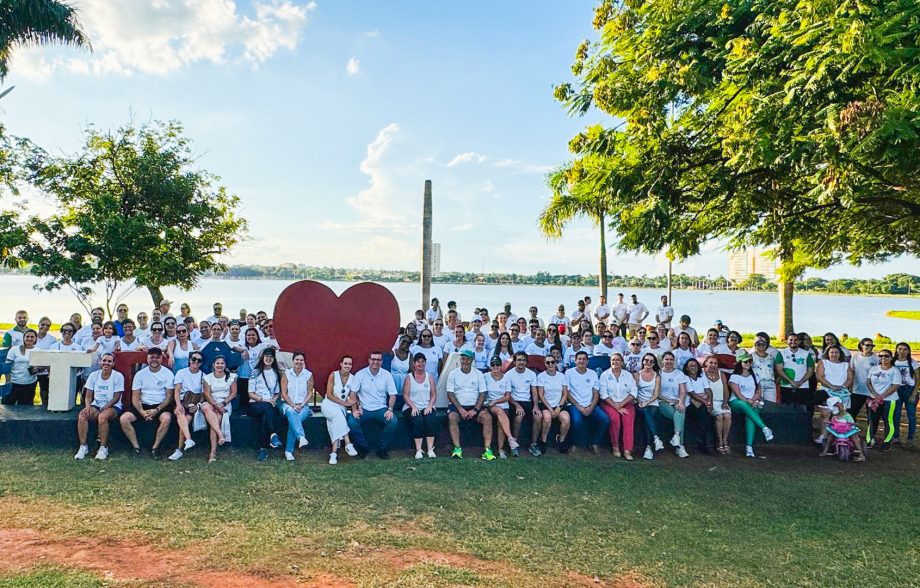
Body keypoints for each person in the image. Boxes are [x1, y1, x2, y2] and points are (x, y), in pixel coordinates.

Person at [119, 348, 175, 459]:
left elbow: (169, 397)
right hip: (142, 405)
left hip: (160, 405)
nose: (154, 360)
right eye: (151, 357)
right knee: (124, 418)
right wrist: (141, 412)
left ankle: (155, 448)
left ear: (161, 358)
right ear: (147, 359)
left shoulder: (168, 374)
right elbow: (135, 397)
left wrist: (157, 410)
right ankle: (136, 447)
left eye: (157, 357)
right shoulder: (140, 374)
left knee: (167, 418)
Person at [348, 350, 399, 459]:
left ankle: (382, 448)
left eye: (378, 359)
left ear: (381, 361)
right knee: (352, 422)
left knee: (393, 421)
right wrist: (355, 409)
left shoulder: (386, 375)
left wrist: (390, 409)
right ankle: (363, 447)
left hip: (381, 408)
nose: (375, 362)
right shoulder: (360, 374)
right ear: (369, 360)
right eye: (373, 359)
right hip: (364, 409)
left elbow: (393, 395)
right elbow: (353, 393)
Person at [74, 353, 124, 460]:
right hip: (96, 405)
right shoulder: (93, 375)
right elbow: (88, 396)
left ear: (113, 363)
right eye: (104, 360)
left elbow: (116, 397)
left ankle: (103, 448)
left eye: (109, 361)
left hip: (113, 406)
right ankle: (83, 446)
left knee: (102, 417)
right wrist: (87, 407)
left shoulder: (118, 376)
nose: (106, 363)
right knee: (82, 415)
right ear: (100, 362)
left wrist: (106, 406)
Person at [445, 349, 493, 460]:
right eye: (463, 359)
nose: (465, 361)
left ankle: (487, 450)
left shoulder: (478, 373)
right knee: (452, 417)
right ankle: (457, 448)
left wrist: (475, 409)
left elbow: (483, 393)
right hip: (458, 406)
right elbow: (450, 394)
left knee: (487, 417)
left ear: (472, 360)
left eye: (467, 359)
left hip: (475, 406)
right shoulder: (453, 373)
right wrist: (460, 409)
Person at [728, 353, 775, 458]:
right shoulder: (734, 376)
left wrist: (753, 400)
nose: (748, 363)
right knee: (742, 403)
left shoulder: (754, 375)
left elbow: (758, 390)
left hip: (752, 402)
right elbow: (738, 394)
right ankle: (764, 428)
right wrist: (748, 401)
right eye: (745, 361)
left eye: (750, 361)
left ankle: (749, 448)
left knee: (750, 417)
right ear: (740, 363)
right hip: (737, 402)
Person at [564, 351, 610, 454]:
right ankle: (575, 444)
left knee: (605, 419)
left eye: (584, 359)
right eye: (579, 359)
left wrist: (592, 406)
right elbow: (567, 393)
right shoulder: (569, 373)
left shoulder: (592, 373)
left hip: (590, 405)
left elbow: (596, 393)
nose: (581, 361)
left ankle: (594, 442)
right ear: (575, 360)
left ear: (587, 361)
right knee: (577, 421)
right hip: (574, 405)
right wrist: (579, 407)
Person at [321, 355, 360, 465]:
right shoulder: (333, 375)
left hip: (340, 408)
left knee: (333, 422)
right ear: (341, 364)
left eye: (350, 364)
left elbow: (352, 398)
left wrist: (354, 410)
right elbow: (329, 395)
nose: (347, 366)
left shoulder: (353, 378)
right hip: (328, 405)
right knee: (338, 415)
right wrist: (345, 403)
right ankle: (347, 443)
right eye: (345, 363)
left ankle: (333, 454)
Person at [167, 351, 205, 461]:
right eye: (194, 359)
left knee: (185, 421)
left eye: (199, 360)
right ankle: (187, 440)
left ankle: (179, 449)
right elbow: (177, 391)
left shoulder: (203, 375)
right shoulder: (181, 373)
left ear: (201, 363)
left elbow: (203, 395)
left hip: (194, 404)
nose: (196, 362)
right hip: (182, 401)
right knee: (180, 414)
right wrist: (178, 404)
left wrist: (197, 406)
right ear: (189, 360)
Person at [199, 355, 237, 462]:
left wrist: (223, 404)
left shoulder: (232, 377)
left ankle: (213, 452)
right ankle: (220, 434)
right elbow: (207, 394)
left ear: (225, 365)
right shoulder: (207, 378)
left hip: (225, 403)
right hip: (212, 402)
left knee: (216, 420)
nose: (219, 365)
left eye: (222, 363)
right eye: (217, 363)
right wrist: (216, 405)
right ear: (213, 365)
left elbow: (233, 393)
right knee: (206, 407)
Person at [598, 353, 637, 460]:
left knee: (628, 420)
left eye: (618, 360)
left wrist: (621, 404)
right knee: (615, 419)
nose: (615, 362)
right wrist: (616, 406)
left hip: (626, 403)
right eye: (613, 360)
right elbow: (603, 394)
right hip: (609, 403)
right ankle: (615, 447)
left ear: (622, 362)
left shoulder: (628, 375)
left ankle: (627, 450)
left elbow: (634, 392)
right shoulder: (605, 375)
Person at [248, 348, 284, 461]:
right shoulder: (255, 372)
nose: (268, 359)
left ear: (274, 359)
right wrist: (263, 400)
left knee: (266, 416)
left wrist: (273, 400)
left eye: (271, 357)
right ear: (262, 357)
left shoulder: (276, 373)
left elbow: (278, 392)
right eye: (266, 356)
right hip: (256, 403)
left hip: (271, 404)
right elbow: (250, 393)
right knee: (267, 408)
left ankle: (263, 449)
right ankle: (273, 434)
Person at [814, 345, 854, 446]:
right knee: (825, 415)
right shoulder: (823, 363)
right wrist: (831, 386)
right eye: (832, 352)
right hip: (827, 392)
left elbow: (850, 378)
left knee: (840, 415)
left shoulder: (845, 364)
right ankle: (824, 435)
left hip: (842, 393)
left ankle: (839, 436)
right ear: (828, 353)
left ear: (840, 354)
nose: (834, 354)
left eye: (837, 352)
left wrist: (842, 387)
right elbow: (819, 376)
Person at [279, 351, 313, 461]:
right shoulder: (286, 374)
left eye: (301, 360)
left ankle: (288, 451)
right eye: (297, 359)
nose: (299, 362)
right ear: (293, 361)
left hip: (303, 406)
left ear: (304, 362)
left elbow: (309, 393)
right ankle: (300, 436)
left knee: (294, 420)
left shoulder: (308, 375)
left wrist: (302, 404)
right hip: (287, 404)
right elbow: (283, 393)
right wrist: (293, 405)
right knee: (292, 413)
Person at [506, 352, 542, 456]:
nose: (521, 362)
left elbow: (534, 392)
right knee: (519, 417)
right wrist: (517, 405)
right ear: (514, 362)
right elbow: (508, 395)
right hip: (514, 402)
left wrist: (536, 406)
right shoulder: (509, 374)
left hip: (528, 402)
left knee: (538, 417)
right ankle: (514, 444)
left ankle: (533, 445)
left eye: (524, 360)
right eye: (519, 360)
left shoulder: (531, 374)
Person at [403, 353, 438, 459]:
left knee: (430, 419)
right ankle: (419, 450)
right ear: (414, 363)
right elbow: (405, 395)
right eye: (418, 361)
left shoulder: (430, 377)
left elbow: (433, 394)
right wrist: (413, 407)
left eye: (423, 361)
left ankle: (430, 449)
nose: (420, 364)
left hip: (427, 406)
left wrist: (430, 406)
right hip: (411, 407)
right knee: (417, 420)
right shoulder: (409, 377)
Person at [484, 356, 519, 458]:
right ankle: (511, 439)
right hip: (490, 405)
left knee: (501, 421)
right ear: (490, 366)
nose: (495, 366)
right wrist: (491, 402)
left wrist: (496, 401)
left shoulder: (506, 378)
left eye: (498, 364)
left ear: (501, 366)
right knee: (499, 410)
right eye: (493, 364)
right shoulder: (485, 376)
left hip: (503, 404)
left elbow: (507, 396)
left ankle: (500, 449)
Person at [866, 350, 902, 450]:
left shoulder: (894, 371)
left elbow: (895, 386)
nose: (883, 358)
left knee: (888, 420)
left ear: (891, 357)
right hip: (873, 399)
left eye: (886, 356)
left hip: (889, 400)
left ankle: (887, 441)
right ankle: (869, 440)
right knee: (872, 420)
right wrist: (875, 395)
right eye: (881, 355)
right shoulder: (874, 369)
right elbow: (868, 382)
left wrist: (881, 397)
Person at [657, 352, 690, 458]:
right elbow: (656, 393)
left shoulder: (679, 374)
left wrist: (680, 401)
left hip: (676, 401)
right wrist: (668, 399)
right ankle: (680, 445)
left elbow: (683, 391)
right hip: (662, 402)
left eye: (671, 359)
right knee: (679, 417)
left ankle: (677, 439)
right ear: (662, 361)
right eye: (667, 359)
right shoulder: (658, 374)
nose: (669, 361)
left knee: (681, 410)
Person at [535, 354, 569, 454]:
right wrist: (550, 409)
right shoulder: (541, 376)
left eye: (552, 362)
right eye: (548, 362)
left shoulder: (562, 376)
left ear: (556, 363)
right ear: (545, 364)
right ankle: (543, 440)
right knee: (547, 418)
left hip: (559, 405)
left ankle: (561, 440)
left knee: (566, 419)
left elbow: (565, 394)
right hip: (546, 404)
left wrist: (559, 407)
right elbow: (541, 395)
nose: (550, 364)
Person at [775, 333, 816, 409]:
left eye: (795, 340)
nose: (793, 342)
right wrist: (791, 382)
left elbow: (810, 370)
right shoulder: (781, 353)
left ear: (799, 342)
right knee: (787, 409)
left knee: (802, 410)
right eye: (791, 340)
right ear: (787, 341)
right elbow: (779, 369)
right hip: (786, 386)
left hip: (803, 386)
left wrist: (800, 382)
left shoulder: (806, 354)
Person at [635, 353, 664, 459]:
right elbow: (635, 392)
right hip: (639, 401)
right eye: (646, 360)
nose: (648, 363)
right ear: (643, 361)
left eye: (651, 361)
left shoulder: (657, 376)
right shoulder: (637, 375)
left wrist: (646, 402)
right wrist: (640, 401)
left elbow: (656, 394)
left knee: (648, 413)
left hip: (652, 402)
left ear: (654, 363)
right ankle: (655, 439)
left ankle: (649, 447)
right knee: (647, 413)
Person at [819, 396, 866, 461]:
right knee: (831, 436)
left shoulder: (846, 415)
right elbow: (830, 420)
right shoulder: (834, 416)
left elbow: (851, 425)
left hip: (848, 429)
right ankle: (825, 451)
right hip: (837, 429)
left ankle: (861, 454)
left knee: (854, 437)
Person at [683, 358, 713, 454]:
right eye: (690, 365)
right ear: (687, 368)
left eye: (695, 365)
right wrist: (705, 401)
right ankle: (703, 443)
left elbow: (708, 390)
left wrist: (710, 402)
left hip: (702, 403)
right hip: (689, 404)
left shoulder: (702, 376)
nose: (693, 367)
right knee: (704, 415)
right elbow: (692, 394)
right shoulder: (685, 377)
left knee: (705, 415)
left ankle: (702, 441)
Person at [703, 356, 732, 454]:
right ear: (706, 363)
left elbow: (726, 390)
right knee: (719, 416)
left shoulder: (721, 374)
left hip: (722, 401)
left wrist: (725, 402)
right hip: (710, 402)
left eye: (715, 363)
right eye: (711, 363)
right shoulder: (702, 374)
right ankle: (719, 441)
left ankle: (725, 440)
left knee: (727, 415)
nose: (713, 365)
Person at [2, 329, 38, 406]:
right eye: (27, 336)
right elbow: (7, 366)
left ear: (35, 339)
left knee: (24, 410)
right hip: (14, 383)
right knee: (7, 408)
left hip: (29, 384)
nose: (29, 338)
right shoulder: (14, 349)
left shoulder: (38, 351)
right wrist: (8, 382)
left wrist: (37, 369)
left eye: (32, 337)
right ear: (23, 338)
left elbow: (42, 367)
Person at [892, 343, 918, 445]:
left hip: (909, 390)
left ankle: (910, 438)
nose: (902, 351)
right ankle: (896, 436)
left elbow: (918, 378)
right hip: (896, 390)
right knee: (896, 414)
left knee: (911, 415)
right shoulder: (893, 362)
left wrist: (914, 393)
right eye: (900, 349)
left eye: (905, 349)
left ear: (908, 351)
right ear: (897, 350)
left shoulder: (912, 362)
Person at [849, 338, 879, 419]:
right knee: (851, 413)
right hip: (857, 390)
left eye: (872, 345)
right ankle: (849, 431)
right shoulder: (855, 356)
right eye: (867, 345)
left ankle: (871, 431)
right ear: (862, 345)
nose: (870, 347)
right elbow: (851, 371)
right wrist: (850, 386)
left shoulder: (876, 358)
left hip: (871, 392)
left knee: (871, 416)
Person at [750, 338, 777, 403]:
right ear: (755, 346)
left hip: (770, 384)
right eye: (758, 344)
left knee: (771, 405)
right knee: (758, 404)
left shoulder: (771, 357)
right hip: (757, 384)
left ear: (766, 346)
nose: (761, 345)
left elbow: (775, 369)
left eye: (763, 344)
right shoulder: (751, 356)